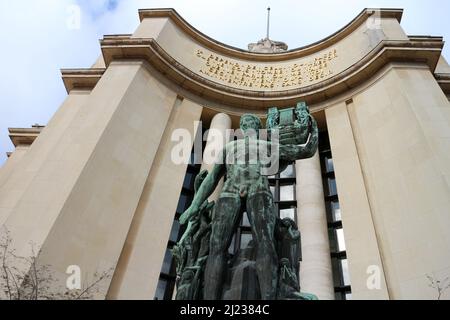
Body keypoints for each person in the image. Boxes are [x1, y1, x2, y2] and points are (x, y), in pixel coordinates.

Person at [180, 113, 318, 300]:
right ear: (243, 129)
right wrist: (193, 206)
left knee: (264, 244)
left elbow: (306, 151)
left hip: (257, 191)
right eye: (244, 124)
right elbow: (212, 178)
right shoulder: (230, 148)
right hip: (231, 192)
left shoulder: (266, 146)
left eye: (249, 123)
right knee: (217, 247)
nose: (247, 126)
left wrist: (312, 126)